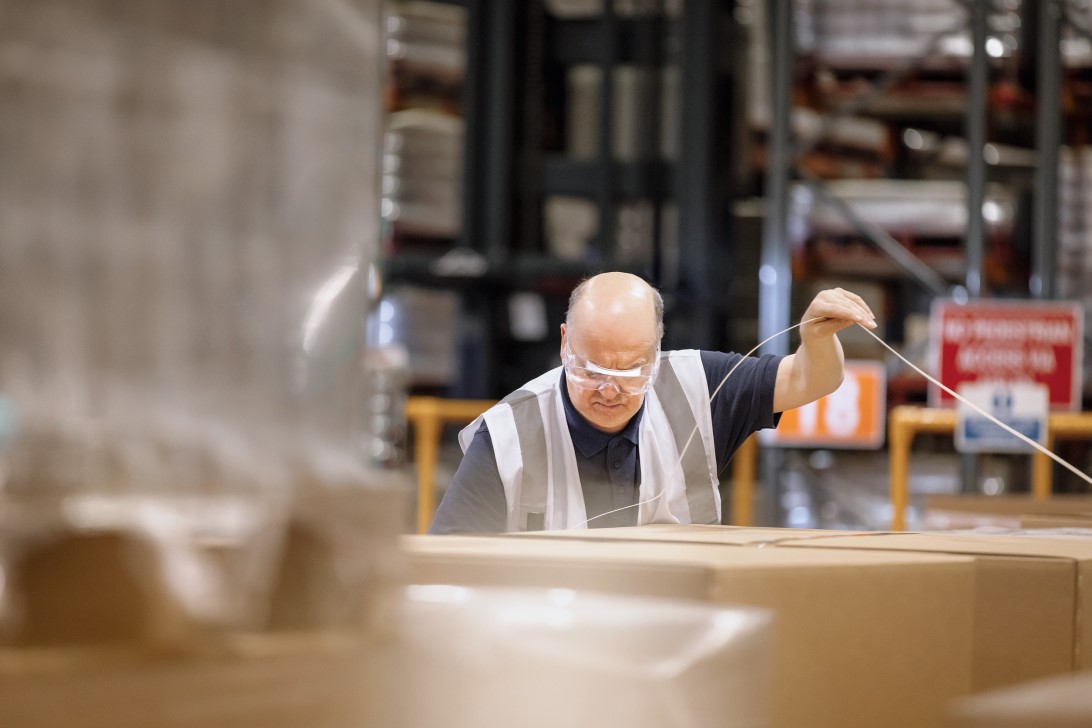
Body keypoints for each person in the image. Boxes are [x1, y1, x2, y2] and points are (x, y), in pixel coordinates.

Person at [429, 272, 876, 534]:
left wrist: (816, 339)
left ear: (657, 350)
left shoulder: (700, 385)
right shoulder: (507, 438)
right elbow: (448, 567)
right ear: (565, 343)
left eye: (631, 372)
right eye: (590, 370)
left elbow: (809, 378)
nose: (609, 390)